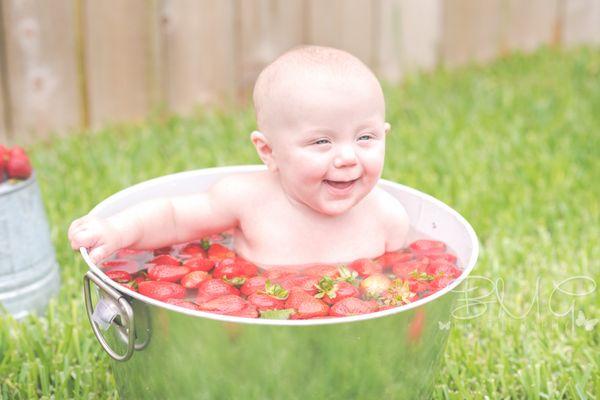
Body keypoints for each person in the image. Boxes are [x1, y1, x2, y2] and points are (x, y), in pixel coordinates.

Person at [68, 45, 409, 267]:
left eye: (365, 137)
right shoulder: (247, 200)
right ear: (268, 151)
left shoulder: (388, 217)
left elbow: (401, 285)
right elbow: (174, 218)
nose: (348, 157)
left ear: (385, 135)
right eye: (322, 142)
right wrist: (117, 230)